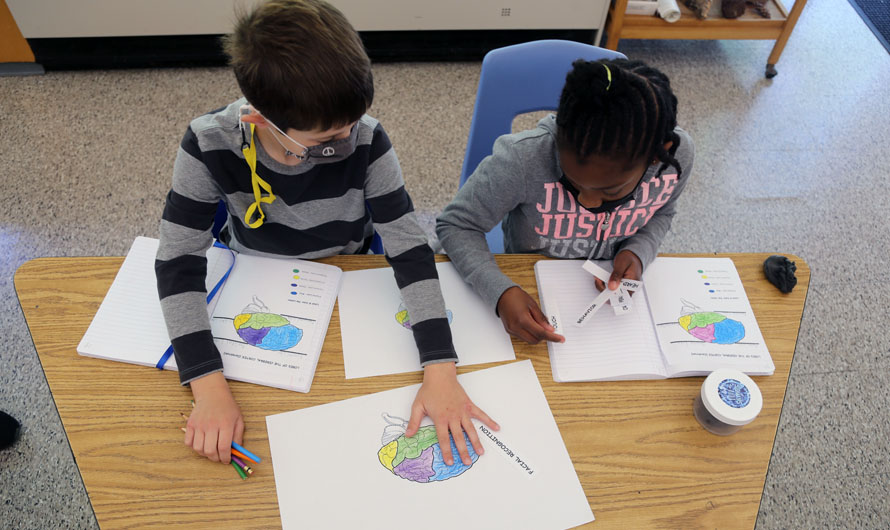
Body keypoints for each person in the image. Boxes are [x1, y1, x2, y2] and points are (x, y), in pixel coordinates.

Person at [156, 0, 496, 468]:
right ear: (259, 119)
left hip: (348, 274)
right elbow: (177, 262)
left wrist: (440, 367)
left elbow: (409, 247)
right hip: (259, 279)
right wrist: (208, 385)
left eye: (350, 126)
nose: (346, 142)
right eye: (323, 142)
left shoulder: (367, 139)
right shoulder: (207, 142)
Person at [437, 58, 694, 344]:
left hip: (606, 311)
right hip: (530, 283)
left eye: (610, 191)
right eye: (571, 181)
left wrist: (637, 251)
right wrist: (499, 292)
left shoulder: (675, 162)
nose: (589, 202)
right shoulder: (523, 159)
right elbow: (456, 225)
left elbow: (663, 211)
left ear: (657, 155)